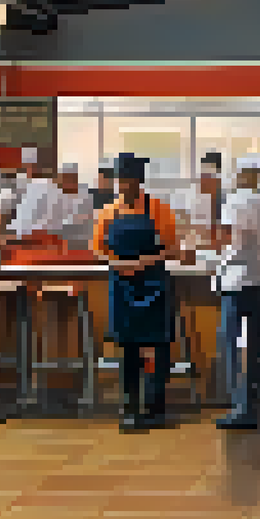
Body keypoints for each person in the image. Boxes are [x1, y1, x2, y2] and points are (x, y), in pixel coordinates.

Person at [93, 153, 181, 431]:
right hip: (122, 284)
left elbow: (171, 248)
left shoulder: (159, 209)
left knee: (158, 345)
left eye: (129, 182)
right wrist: (116, 262)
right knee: (128, 347)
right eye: (120, 182)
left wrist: (145, 262)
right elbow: (97, 248)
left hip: (153, 282)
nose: (123, 187)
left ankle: (156, 408)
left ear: (139, 182)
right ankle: (130, 408)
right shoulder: (108, 212)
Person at [216, 155, 260, 429]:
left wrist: (217, 256)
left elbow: (230, 239)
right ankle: (253, 401)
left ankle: (241, 408)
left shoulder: (234, 201)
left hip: (238, 281)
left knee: (235, 344)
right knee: (254, 343)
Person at [176, 153, 224, 251]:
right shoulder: (191, 195)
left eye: (212, 177)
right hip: (193, 245)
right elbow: (181, 222)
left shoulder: (222, 200)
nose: (206, 179)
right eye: (204, 175)